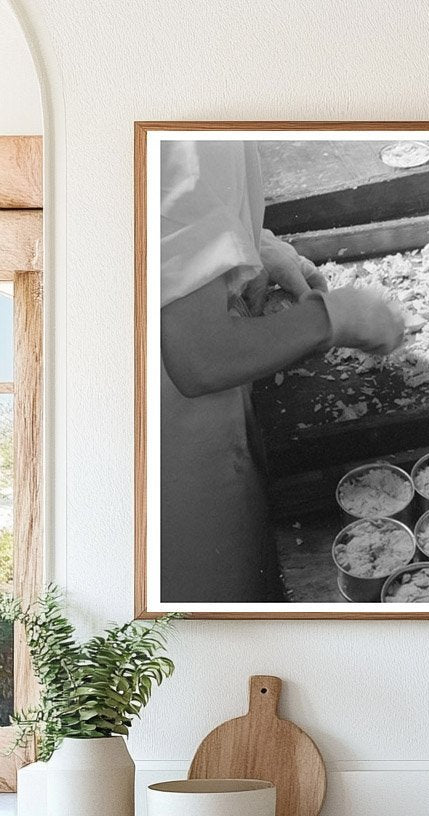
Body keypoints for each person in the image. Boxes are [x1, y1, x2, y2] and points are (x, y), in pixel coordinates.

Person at [159, 139, 405, 603]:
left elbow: (162, 218)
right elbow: (201, 358)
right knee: (214, 621)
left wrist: (250, 248)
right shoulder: (190, 136)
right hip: (171, 450)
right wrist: (333, 318)